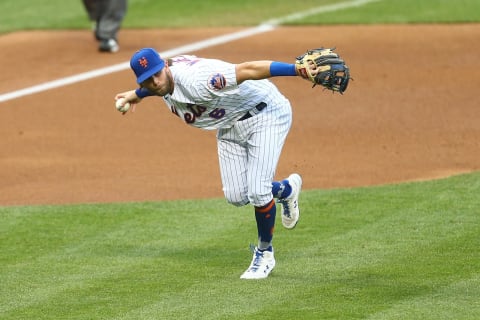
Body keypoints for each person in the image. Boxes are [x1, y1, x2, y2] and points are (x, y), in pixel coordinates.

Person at [115, 47, 309, 280]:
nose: (155, 82)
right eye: (148, 80)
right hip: (229, 125)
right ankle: (285, 190)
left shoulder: (200, 80)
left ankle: (265, 253)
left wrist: (295, 70)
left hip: (265, 115)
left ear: (165, 66)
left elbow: (247, 69)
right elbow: (158, 87)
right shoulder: (160, 82)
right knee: (237, 196)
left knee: (258, 192)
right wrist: (136, 95)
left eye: (157, 73)